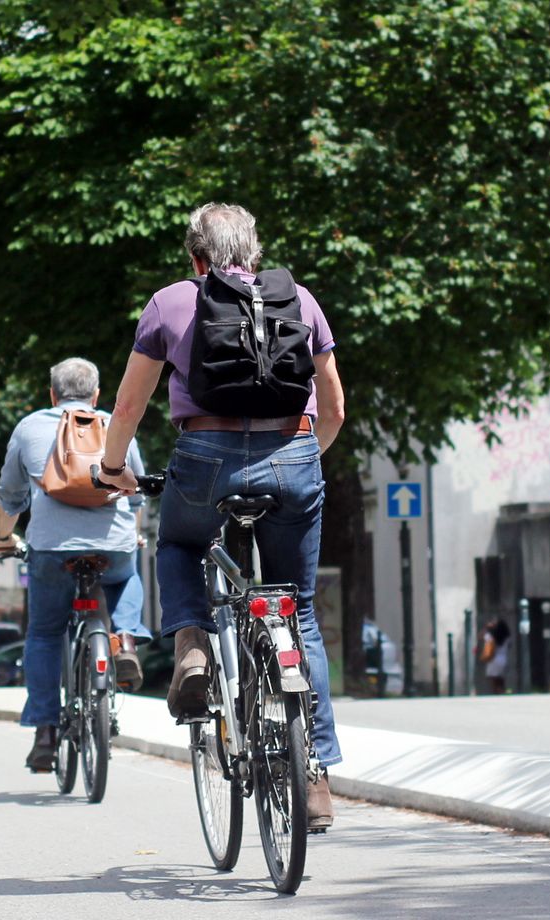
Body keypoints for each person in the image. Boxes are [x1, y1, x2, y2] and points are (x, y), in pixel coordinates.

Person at [98, 202, 347, 832]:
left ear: (196, 256)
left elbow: (128, 406)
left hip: (204, 457)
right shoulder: (303, 301)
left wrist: (110, 468)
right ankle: (314, 775)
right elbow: (336, 408)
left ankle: (192, 647)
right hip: (294, 453)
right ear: (255, 253)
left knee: (178, 544)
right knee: (299, 609)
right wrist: (297, 464)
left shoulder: (171, 303)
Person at [0, 357, 151, 772]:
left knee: (44, 633)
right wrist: (130, 534)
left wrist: (4, 540)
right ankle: (126, 639)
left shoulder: (29, 428)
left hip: (50, 549)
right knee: (127, 576)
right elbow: (135, 494)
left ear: (52, 394)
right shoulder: (116, 425)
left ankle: (44, 732)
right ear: (97, 395)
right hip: (113, 546)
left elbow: (11, 497)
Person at [480, 617, 512, 694]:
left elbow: (480, 636)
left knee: (494, 681)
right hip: (503, 659)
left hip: (493, 659)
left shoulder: (491, 636)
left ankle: (497, 694)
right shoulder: (506, 638)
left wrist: (486, 627)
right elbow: (509, 646)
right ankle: (503, 692)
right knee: (501, 680)